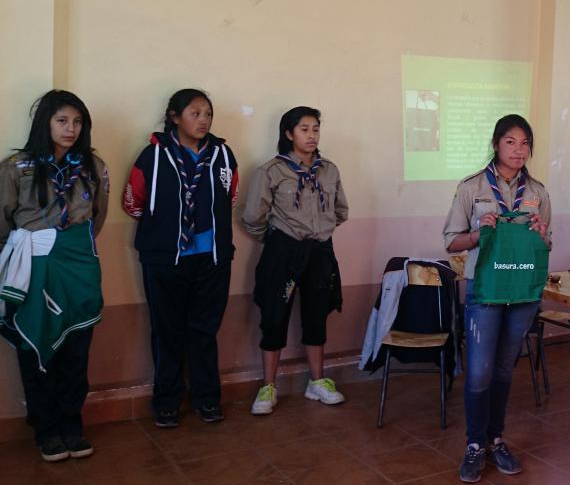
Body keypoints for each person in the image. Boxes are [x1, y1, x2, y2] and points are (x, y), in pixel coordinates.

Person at [0, 90, 109, 462]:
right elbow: (3, 220)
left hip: (78, 263)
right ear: (45, 123)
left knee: (77, 348)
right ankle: (45, 429)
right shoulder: (17, 167)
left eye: (78, 122)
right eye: (62, 121)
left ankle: (71, 425)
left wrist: (70, 248)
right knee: (36, 347)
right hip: (34, 265)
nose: (71, 129)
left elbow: (99, 217)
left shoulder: (92, 166)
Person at [442, 114, 551, 483]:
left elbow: (545, 245)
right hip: (485, 291)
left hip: (521, 292)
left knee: (505, 369)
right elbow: (450, 241)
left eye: (525, 143)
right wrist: (476, 233)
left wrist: (541, 234)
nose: (519, 150)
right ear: (496, 144)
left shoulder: (537, 192)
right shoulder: (472, 188)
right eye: (511, 142)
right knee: (479, 373)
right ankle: (475, 445)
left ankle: (496, 439)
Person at [123, 88, 238, 428]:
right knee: (166, 331)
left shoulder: (222, 154)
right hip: (166, 258)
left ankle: (206, 398)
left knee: (204, 331)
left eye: (208, 114)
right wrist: (168, 231)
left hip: (212, 257)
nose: (203, 120)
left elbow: (229, 196)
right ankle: (167, 401)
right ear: (175, 117)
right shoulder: (153, 155)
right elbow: (134, 203)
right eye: (195, 113)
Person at [242, 107, 348, 414]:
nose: (312, 135)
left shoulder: (329, 170)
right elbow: (253, 217)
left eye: (315, 129)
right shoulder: (271, 171)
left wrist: (319, 232)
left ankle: (317, 382)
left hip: (319, 251)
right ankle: (268, 387)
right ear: (288, 134)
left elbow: (341, 211)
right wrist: (278, 240)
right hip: (283, 252)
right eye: (304, 129)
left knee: (317, 314)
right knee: (274, 316)